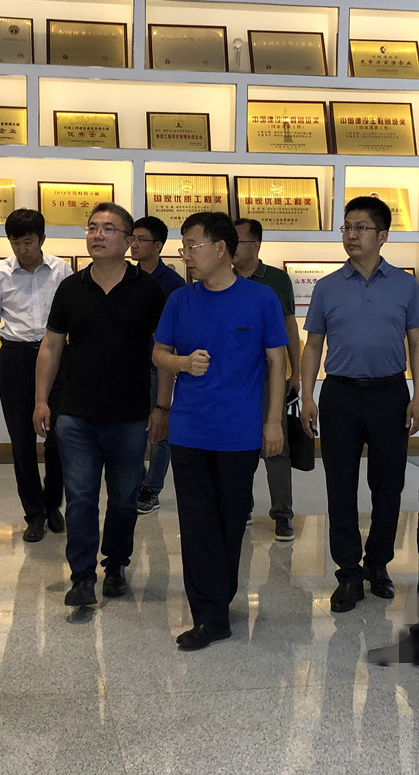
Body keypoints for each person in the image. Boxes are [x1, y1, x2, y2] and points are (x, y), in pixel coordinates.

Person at [153, 211, 288, 650]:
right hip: (190, 431)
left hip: (239, 433)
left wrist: (272, 422)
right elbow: (159, 353)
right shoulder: (180, 300)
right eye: (183, 247)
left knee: (231, 523)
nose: (186, 255)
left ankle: (219, 602)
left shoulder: (261, 298)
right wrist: (181, 363)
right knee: (196, 525)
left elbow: (277, 362)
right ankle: (208, 616)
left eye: (192, 246)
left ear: (221, 249)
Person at [33, 203, 166, 606]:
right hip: (76, 414)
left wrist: (161, 407)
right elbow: (51, 346)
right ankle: (81, 576)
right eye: (92, 227)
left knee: (124, 498)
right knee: (80, 498)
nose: (98, 234)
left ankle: (117, 564)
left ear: (128, 241)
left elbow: (165, 351)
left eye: (109, 228)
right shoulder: (71, 288)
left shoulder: (148, 290)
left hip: (129, 415)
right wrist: (41, 400)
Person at [300, 195, 419, 613]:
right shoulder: (328, 286)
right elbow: (313, 345)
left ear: (383, 235)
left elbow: (416, 344)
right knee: (340, 486)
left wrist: (418, 396)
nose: (351, 235)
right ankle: (348, 573)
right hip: (340, 395)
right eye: (347, 227)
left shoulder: (405, 285)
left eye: (361, 227)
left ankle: (379, 564)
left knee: (388, 485)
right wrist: (307, 395)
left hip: (390, 394)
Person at [0, 208, 73, 542]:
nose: (22, 249)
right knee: (21, 441)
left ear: (42, 239)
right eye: (16, 242)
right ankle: (34, 514)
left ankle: (52, 504)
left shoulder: (62, 270)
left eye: (29, 242)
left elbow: (74, 318)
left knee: (59, 437)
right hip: (15, 359)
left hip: (57, 357)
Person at [233, 218, 301, 541]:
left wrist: (296, 372)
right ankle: (241, 507)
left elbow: (290, 327)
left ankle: (282, 514)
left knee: (276, 446)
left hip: (268, 377)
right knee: (237, 447)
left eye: (238, 241)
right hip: (233, 378)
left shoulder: (276, 279)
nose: (231, 247)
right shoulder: (222, 277)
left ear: (256, 245)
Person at [131, 216, 184, 514]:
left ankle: (152, 489)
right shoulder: (127, 277)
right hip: (130, 366)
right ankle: (136, 482)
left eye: (141, 239)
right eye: (133, 238)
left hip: (159, 367)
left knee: (160, 428)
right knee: (132, 429)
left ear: (158, 246)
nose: (134, 244)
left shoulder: (174, 284)